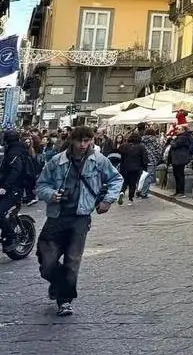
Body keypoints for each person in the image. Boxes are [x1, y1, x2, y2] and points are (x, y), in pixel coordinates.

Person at [35, 125, 123, 316]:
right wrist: (51, 194)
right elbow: (41, 185)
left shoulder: (99, 161)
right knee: (46, 260)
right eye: (79, 140)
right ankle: (59, 282)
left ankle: (65, 300)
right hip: (57, 216)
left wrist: (108, 200)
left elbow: (116, 179)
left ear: (91, 140)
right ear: (72, 141)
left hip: (80, 217)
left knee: (72, 260)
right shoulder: (57, 161)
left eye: (87, 140)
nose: (83, 145)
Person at [0, 130, 35, 251]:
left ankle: (11, 237)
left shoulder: (15, 152)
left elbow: (16, 171)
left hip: (14, 189)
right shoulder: (12, 150)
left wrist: (5, 187)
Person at [117, 133, 148, 204]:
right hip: (135, 168)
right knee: (132, 183)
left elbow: (119, 151)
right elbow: (144, 158)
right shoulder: (141, 146)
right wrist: (144, 167)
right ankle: (130, 198)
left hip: (124, 167)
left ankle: (121, 192)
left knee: (124, 181)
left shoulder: (124, 145)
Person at [168, 125, 193, 197]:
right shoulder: (180, 137)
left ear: (183, 130)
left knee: (179, 175)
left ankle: (181, 192)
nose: (177, 130)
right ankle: (178, 191)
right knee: (177, 175)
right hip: (177, 159)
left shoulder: (183, 137)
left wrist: (171, 140)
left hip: (180, 159)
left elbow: (175, 145)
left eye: (179, 129)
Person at [139, 127, 163, 198]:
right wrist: (156, 159)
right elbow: (159, 151)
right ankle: (144, 193)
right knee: (148, 177)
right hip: (151, 161)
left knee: (141, 176)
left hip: (142, 161)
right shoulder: (155, 141)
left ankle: (138, 190)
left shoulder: (141, 140)